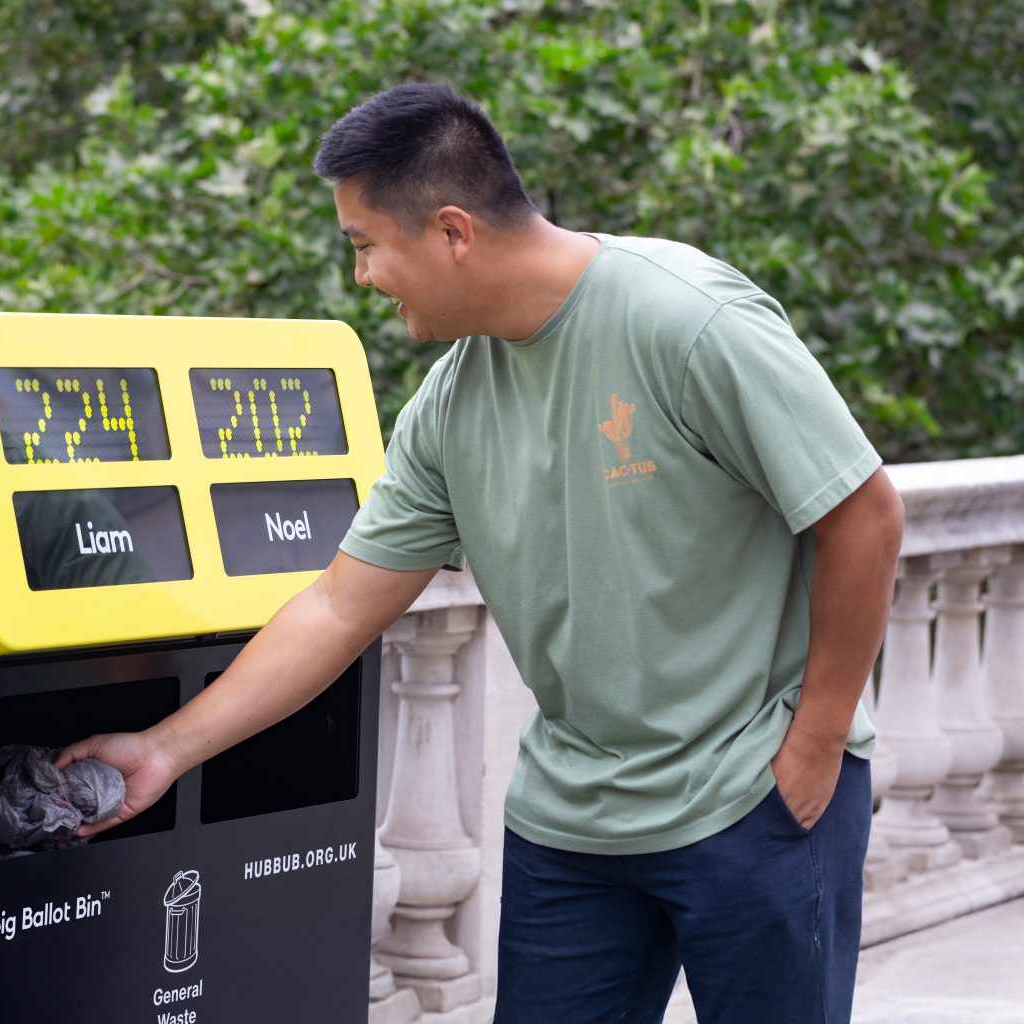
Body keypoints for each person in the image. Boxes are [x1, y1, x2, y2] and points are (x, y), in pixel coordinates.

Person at [57, 83, 904, 1023]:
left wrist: (816, 741)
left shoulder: (686, 319)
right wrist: (162, 751)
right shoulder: (448, 405)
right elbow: (337, 607)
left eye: (364, 245)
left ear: (452, 231)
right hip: (574, 819)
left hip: (753, 796)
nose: (362, 277)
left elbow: (862, 516)